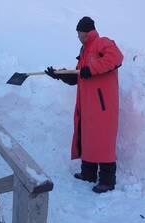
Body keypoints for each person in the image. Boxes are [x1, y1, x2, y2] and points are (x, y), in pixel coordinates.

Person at [45, 16, 123, 193]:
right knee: (87, 137)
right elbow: (79, 75)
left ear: (85, 32)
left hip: (103, 105)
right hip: (87, 105)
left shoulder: (103, 43)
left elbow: (116, 58)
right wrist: (58, 74)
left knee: (103, 140)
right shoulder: (85, 51)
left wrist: (91, 69)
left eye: (79, 33)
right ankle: (88, 173)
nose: (77, 36)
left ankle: (107, 181)